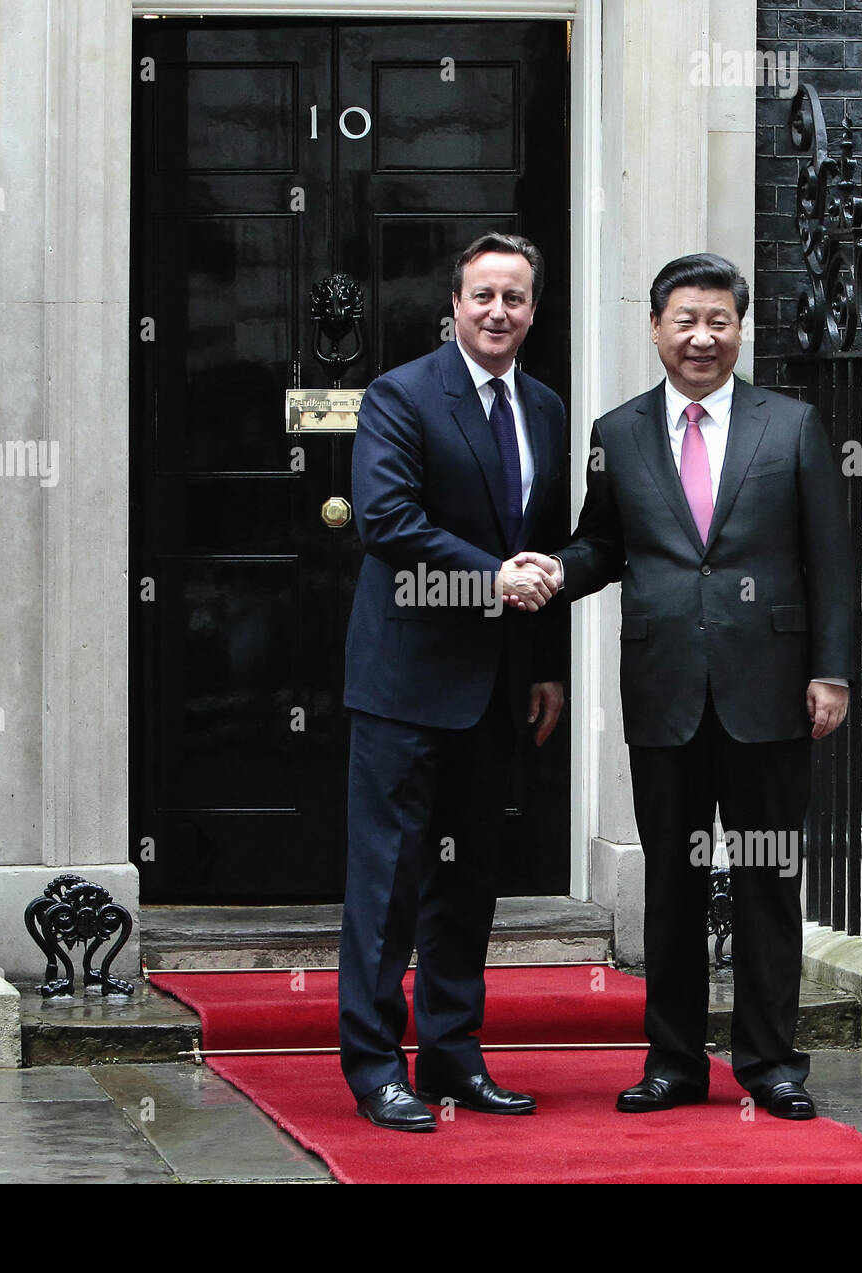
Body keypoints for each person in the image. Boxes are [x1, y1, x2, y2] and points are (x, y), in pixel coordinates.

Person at [518, 252, 856, 1120]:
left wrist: (832, 670)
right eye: (685, 320)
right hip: (665, 692)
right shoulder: (617, 432)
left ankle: (771, 1062)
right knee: (670, 882)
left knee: (767, 880)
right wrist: (550, 569)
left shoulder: (793, 425)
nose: (702, 336)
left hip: (774, 692)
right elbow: (600, 545)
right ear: (657, 328)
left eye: (719, 320)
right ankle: (672, 1062)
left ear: (740, 329)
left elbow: (832, 561)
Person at [339, 233, 568, 1131]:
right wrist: (491, 577)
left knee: (468, 884)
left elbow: (540, 535)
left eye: (514, 298)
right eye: (483, 296)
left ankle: (450, 1055)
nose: (498, 312)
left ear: (532, 311)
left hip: (496, 689)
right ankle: (373, 1068)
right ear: (456, 302)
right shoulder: (401, 395)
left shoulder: (544, 407)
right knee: (387, 886)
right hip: (404, 684)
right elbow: (385, 518)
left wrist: (544, 663)